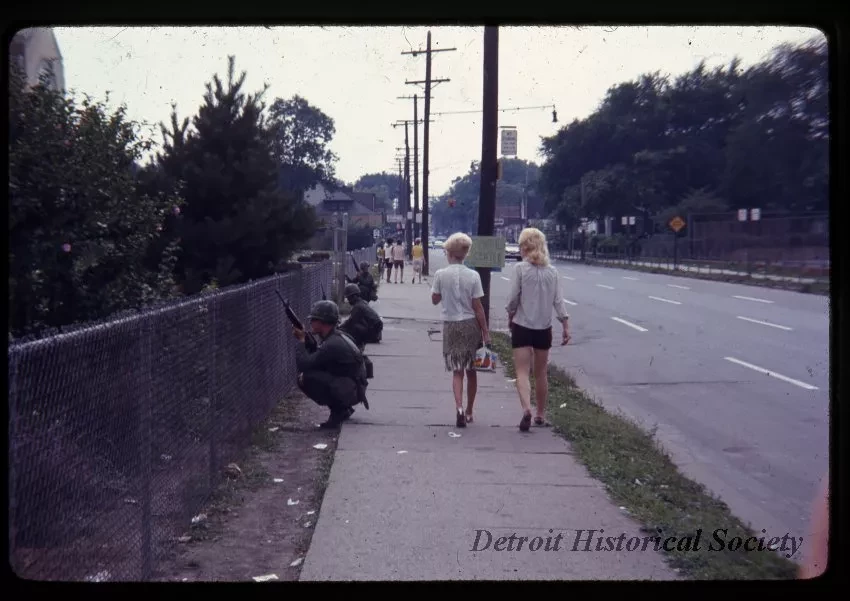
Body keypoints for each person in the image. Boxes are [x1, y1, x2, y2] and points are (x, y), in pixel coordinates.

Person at [505, 227, 571, 432]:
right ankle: (541, 414)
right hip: (544, 328)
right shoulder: (553, 272)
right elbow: (559, 302)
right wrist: (565, 325)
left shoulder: (520, 269)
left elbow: (514, 298)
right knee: (541, 372)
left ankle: (526, 408)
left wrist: (510, 314)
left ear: (524, 246)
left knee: (522, 371)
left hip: (522, 325)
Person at [431, 232, 491, 428]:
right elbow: (478, 307)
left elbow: (435, 300)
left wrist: (444, 294)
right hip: (470, 325)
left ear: (449, 253)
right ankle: (469, 411)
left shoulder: (440, 274)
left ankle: (458, 407)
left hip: (451, 326)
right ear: (464, 254)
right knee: (472, 371)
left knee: (457, 372)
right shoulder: (473, 276)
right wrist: (485, 331)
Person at [292, 299, 370, 429]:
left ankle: (339, 411)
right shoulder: (337, 336)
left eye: (314, 319)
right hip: (355, 387)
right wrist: (308, 341)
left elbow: (303, 364)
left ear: (323, 322)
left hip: (352, 390)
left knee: (305, 378)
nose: (311, 322)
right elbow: (320, 359)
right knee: (317, 374)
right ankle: (342, 409)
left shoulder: (332, 344)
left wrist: (301, 341)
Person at [340, 283, 383, 347]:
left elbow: (350, 322)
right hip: (376, 332)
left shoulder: (358, 306)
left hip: (373, 333)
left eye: (349, 297)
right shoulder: (363, 302)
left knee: (350, 328)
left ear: (354, 297)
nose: (348, 300)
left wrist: (339, 328)